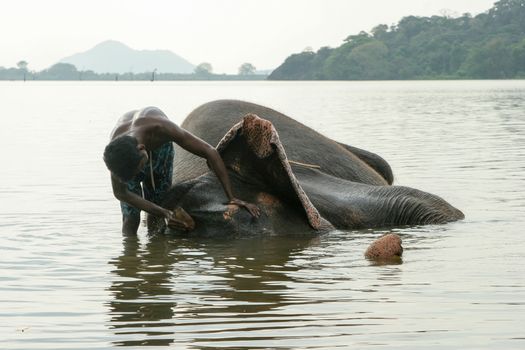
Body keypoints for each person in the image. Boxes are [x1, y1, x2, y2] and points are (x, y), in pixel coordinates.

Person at [103, 106, 260, 235]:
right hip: (130, 157)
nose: (138, 175)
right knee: (130, 219)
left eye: (139, 170)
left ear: (142, 149)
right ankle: (130, 261)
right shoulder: (117, 153)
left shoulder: (161, 128)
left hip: (160, 149)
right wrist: (164, 213)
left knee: (157, 209)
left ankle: (157, 259)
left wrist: (231, 196)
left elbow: (209, 151)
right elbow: (121, 193)